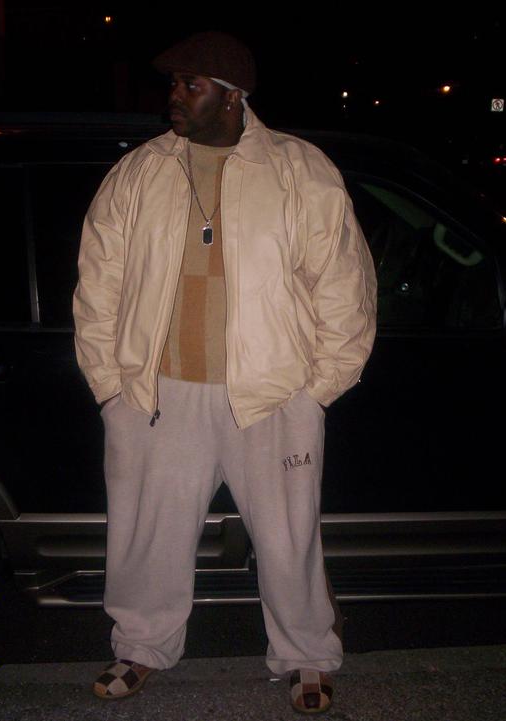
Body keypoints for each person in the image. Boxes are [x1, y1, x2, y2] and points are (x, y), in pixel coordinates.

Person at [73, 30, 377, 715]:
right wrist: (111, 385)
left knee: (289, 537)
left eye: (191, 84)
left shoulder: (298, 170)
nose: (174, 96)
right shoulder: (141, 172)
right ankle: (140, 644)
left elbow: (343, 284)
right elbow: (98, 283)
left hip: (272, 392)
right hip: (158, 392)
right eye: (173, 83)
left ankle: (306, 654)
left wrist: (317, 389)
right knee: (146, 533)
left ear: (234, 96)